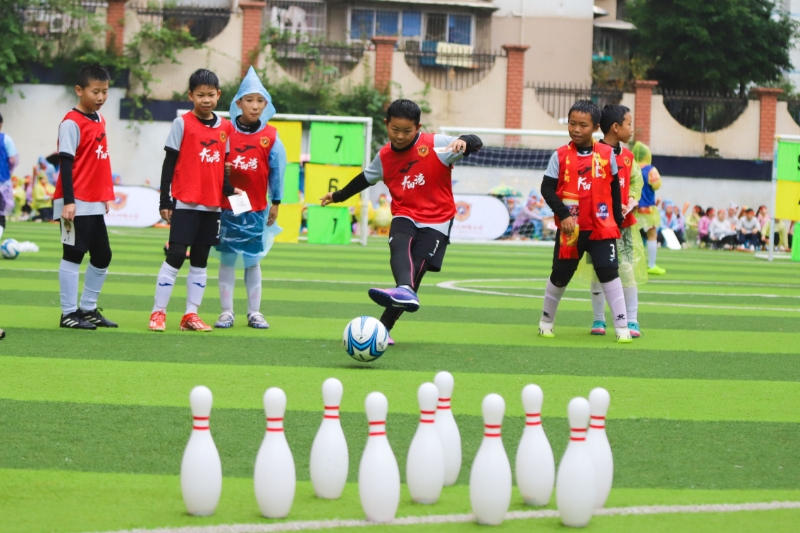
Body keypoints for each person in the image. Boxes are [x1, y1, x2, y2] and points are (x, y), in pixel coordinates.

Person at [320, 99, 482, 345]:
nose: (400, 136)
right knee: (399, 247)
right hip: (405, 213)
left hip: (438, 220)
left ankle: (384, 326)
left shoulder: (437, 144)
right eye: (395, 129)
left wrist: (464, 140)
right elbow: (364, 179)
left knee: (416, 270)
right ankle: (403, 289)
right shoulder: (384, 156)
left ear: (418, 127)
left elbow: (475, 142)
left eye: (407, 131)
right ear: (386, 124)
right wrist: (338, 196)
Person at [149, 69, 242, 332]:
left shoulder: (225, 127)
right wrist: (165, 200)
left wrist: (231, 190)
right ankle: (158, 313)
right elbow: (169, 164)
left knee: (201, 258)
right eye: (200, 95)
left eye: (210, 95)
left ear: (218, 95)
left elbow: (223, 168)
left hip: (211, 206)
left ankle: (190, 314)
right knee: (176, 255)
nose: (206, 100)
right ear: (190, 95)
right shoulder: (182, 123)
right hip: (186, 202)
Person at [537, 100, 632, 343]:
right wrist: (564, 215)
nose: (576, 129)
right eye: (572, 124)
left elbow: (613, 187)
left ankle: (622, 328)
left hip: (602, 227)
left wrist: (617, 219)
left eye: (583, 125)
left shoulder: (607, 154)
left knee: (609, 273)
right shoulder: (559, 156)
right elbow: (547, 189)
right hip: (571, 230)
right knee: (560, 275)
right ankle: (546, 323)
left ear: (596, 127)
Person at [214, 67, 286, 330]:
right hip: (227, 208)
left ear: (266, 104)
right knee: (227, 259)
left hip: (256, 207)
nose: (255, 106)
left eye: (260, 101)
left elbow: (278, 170)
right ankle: (226, 312)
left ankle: (254, 312)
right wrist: (223, 170)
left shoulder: (271, 137)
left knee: (253, 261)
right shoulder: (224, 132)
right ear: (238, 103)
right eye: (249, 100)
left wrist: (276, 201)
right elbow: (212, 163)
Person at [53, 65, 118, 329]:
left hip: (93, 201)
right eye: (96, 91)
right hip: (75, 201)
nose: (101, 97)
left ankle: (88, 308)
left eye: (105, 92)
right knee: (73, 254)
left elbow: (98, 162)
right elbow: (66, 163)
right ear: (80, 90)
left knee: (102, 255)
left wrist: (104, 195)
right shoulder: (71, 122)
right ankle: (68, 313)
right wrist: (69, 201)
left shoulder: (100, 120)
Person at [583, 104, 646, 338]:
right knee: (599, 273)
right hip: (598, 226)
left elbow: (636, 184)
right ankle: (599, 320)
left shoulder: (629, 158)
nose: (632, 129)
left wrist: (629, 200)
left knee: (627, 270)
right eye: (629, 124)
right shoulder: (592, 153)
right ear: (616, 127)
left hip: (624, 226)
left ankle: (632, 320)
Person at [632, 141, 665, 275]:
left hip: (633, 209)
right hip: (648, 210)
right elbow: (657, 184)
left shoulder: (631, 168)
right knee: (652, 235)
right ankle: (651, 265)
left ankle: (633, 266)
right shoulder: (651, 169)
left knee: (633, 237)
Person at [0, 112, 20, 242]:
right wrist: (9, 170)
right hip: (2, 182)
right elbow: (13, 159)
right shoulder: (5, 139)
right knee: (1, 216)